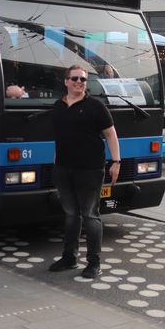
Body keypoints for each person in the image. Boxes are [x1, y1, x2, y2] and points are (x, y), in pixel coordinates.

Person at [49, 64, 121, 279]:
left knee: (90, 215)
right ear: (66, 81)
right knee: (71, 214)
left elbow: (111, 135)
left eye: (82, 79)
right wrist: (56, 163)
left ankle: (93, 263)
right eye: (75, 79)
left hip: (90, 170)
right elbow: (59, 138)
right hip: (63, 168)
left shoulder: (95, 106)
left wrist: (116, 161)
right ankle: (69, 258)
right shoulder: (58, 106)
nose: (79, 83)